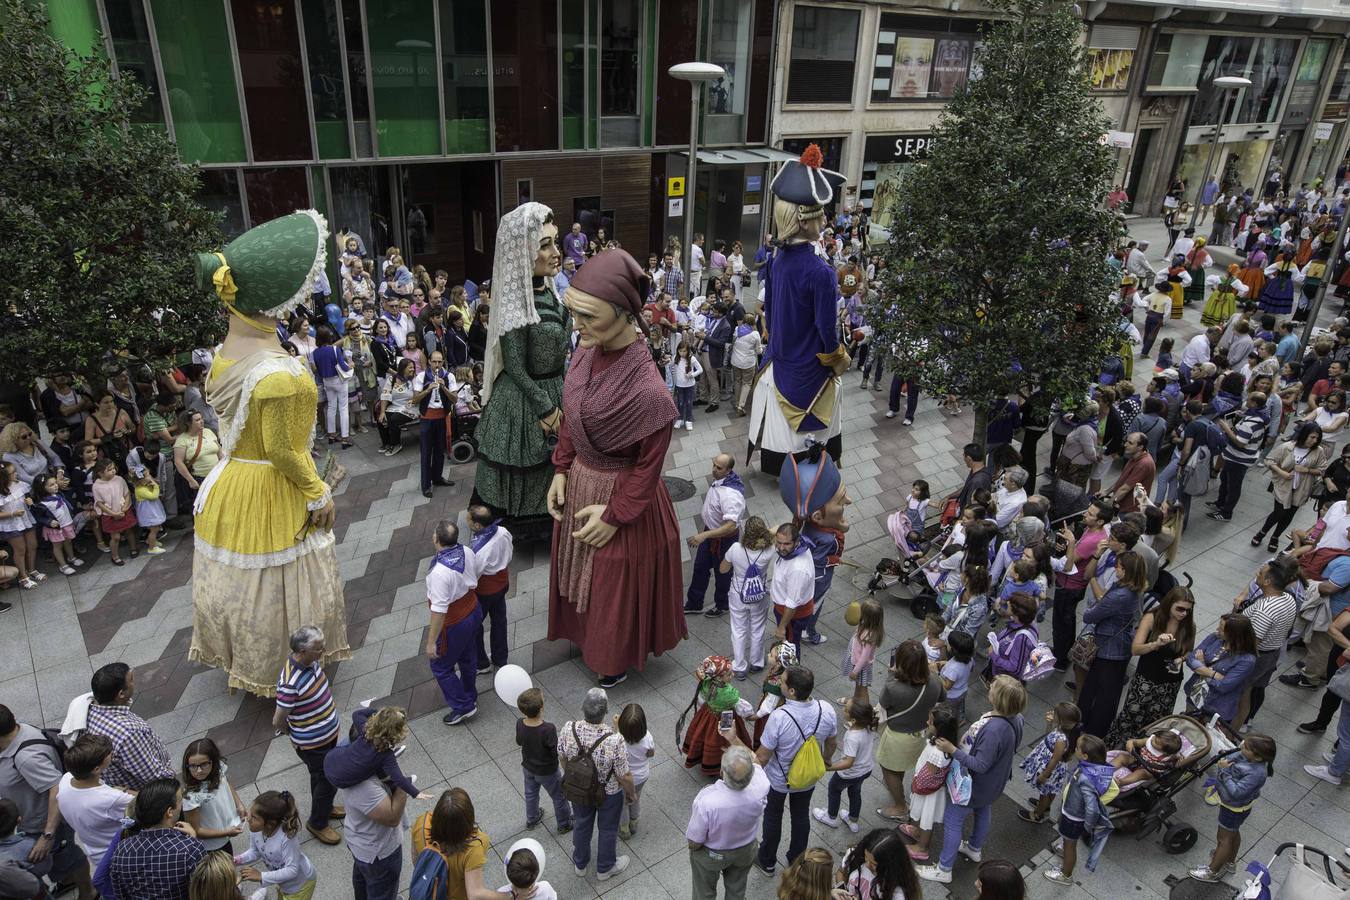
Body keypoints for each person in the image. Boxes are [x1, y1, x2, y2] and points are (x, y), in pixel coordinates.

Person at [190, 212, 349, 696]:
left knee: (246, 583)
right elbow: (283, 450)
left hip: (231, 479)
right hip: (272, 486)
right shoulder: (281, 372)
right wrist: (318, 492)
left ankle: (248, 659)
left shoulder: (222, 356)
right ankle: (285, 671)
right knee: (284, 582)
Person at [547, 249, 686, 688]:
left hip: (623, 494)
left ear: (626, 313)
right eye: (575, 315)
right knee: (581, 564)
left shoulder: (651, 393)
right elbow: (572, 413)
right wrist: (561, 468)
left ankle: (612, 658)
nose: (577, 327)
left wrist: (614, 516)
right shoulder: (586, 351)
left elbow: (648, 468)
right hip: (583, 479)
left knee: (611, 577)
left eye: (587, 317)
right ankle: (586, 639)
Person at [748, 145, 851, 476]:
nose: (825, 219)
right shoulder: (821, 272)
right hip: (808, 364)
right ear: (803, 220)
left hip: (779, 357)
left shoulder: (778, 259)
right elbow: (825, 328)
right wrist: (836, 357)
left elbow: (773, 313)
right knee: (823, 410)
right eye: (820, 214)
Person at [474, 203, 567, 528]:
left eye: (555, 242)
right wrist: (546, 409)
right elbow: (514, 366)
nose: (556, 252)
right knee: (532, 464)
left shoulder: (551, 291)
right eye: (545, 245)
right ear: (523, 252)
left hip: (556, 387)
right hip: (525, 399)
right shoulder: (515, 304)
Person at [916, 676, 1027, 885]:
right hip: (992, 784)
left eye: (994, 687)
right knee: (983, 810)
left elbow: (980, 765)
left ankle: (944, 868)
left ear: (1000, 699)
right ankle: (974, 848)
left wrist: (952, 750)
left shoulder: (995, 730)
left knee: (953, 820)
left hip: (974, 786)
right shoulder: (1016, 718)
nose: (990, 687)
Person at [0, 709, 96, 900]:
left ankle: (89, 893)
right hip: (32, 821)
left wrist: (47, 835)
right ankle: (67, 881)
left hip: (47, 824)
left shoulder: (27, 758)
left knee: (68, 856)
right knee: (62, 859)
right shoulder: (17, 733)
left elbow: (57, 789)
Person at [752, 665, 837, 877]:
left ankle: (767, 861)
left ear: (791, 691)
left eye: (782, 681)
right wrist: (825, 760)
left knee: (773, 817)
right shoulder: (825, 709)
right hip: (807, 777)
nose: (779, 683)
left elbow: (763, 756)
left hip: (778, 780)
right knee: (801, 816)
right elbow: (832, 742)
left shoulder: (779, 717)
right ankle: (797, 861)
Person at [270, 626, 343, 845]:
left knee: (320, 778)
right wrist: (295, 735)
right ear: (302, 651)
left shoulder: (311, 662)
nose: (323, 651)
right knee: (329, 780)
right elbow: (278, 720)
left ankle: (326, 807)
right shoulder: (290, 683)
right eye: (318, 648)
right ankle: (318, 823)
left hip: (328, 736)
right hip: (313, 745)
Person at [558, 688, 635, 881]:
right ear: (606, 711)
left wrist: (572, 777)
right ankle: (605, 868)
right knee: (608, 828)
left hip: (579, 790)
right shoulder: (615, 740)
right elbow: (624, 775)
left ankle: (580, 863)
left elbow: (562, 756)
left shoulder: (569, 728)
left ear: (583, 708)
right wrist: (631, 794)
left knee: (582, 823)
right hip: (608, 793)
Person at [1105, 586, 1196, 748]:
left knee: (1157, 722)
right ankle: (1112, 748)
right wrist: (1156, 644)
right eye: (1180, 609)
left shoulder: (1188, 625)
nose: (1184, 613)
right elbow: (1135, 649)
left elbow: (1188, 650)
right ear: (1169, 603)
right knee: (1130, 717)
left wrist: (1180, 660)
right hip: (1146, 678)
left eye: (1188, 610)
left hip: (1170, 683)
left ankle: (1143, 752)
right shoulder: (1152, 618)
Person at [687, 740, 769, 900]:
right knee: (737, 889)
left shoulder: (707, 801)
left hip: (713, 854)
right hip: (745, 849)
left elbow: (694, 840)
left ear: (722, 773)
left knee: (703, 891)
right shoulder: (760, 786)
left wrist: (694, 850)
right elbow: (756, 761)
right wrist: (733, 738)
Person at [874, 641, 945, 823]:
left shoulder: (894, 686)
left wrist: (891, 674)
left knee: (888, 767)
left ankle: (900, 807)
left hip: (898, 736)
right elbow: (943, 697)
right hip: (921, 733)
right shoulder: (935, 681)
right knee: (902, 764)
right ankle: (897, 786)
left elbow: (884, 703)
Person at [1189, 735, 1276, 882]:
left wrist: (1225, 771)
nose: (1242, 748)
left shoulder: (1257, 773)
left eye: (1246, 748)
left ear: (1258, 757)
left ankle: (1212, 871)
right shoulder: (1250, 759)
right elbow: (1237, 754)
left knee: (1223, 839)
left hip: (1233, 809)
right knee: (1233, 833)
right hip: (1238, 808)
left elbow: (1236, 793)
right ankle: (1229, 861)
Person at [1077, 551, 1146, 736]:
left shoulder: (1121, 595)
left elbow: (1090, 615)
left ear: (1126, 571)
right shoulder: (1131, 590)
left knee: (1101, 695)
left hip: (1109, 649)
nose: (1115, 568)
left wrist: (1096, 605)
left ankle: (1093, 730)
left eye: (1119, 566)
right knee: (1105, 693)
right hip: (1117, 647)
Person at [1231, 556, 1300, 730]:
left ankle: (1230, 730)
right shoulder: (1288, 598)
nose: (1257, 574)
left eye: (1261, 573)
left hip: (1255, 656)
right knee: (1249, 691)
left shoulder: (1265, 609)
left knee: (1240, 694)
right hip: (1271, 653)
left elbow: (1252, 642)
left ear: (1268, 581)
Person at [107, 778, 206, 900]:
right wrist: (193, 841)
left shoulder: (121, 850)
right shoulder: (191, 849)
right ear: (169, 812)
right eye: (180, 800)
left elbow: (121, 894)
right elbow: (202, 892)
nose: (182, 805)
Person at [424, 519, 482, 726]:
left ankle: (463, 705)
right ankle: (469, 693)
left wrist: (431, 642)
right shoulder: (466, 550)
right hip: (473, 609)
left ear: (436, 539)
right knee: (467, 655)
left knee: (440, 667)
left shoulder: (440, 572)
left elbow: (439, 611)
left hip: (455, 620)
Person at [85, 663, 175, 790]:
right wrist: (172, 780)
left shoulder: (91, 709)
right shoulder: (128, 734)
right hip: (149, 791)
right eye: (131, 680)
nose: (135, 681)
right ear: (121, 694)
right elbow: (154, 775)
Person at [1041, 735, 1116, 884]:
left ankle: (1066, 874)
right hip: (1074, 814)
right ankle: (1064, 851)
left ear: (1085, 755)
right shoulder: (1096, 768)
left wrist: (1087, 826)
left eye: (1077, 748)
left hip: (1074, 817)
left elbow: (1092, 808)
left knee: (1070, 845)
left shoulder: (1086, 778)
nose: (1074, 749)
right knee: (1069, 842)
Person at [55, 734, 132, 870]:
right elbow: (144, 804)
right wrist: (123, 793)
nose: (111, 753)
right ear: (96, 769)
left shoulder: (66, 780)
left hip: (96, 853)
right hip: (121, 855)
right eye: (108, 754)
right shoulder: (113, 799)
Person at [684, 454, 746, 617]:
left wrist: (704, 535)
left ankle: (723, 605)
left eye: (719, 468)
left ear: (729, 470)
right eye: (714, 465)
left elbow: (730, 525)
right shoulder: (722, 481)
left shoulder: (731, 495)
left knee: (723, 573)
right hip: (710, 533)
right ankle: (694, 603)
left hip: (723, 540)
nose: (714, 469)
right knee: (700, 568)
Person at [811, 698, 879, 833]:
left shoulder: (852, 736)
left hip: (848, 774)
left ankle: (831, 817)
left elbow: (848, 762)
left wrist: (829, 768)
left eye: (846, 709)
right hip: (865, 770)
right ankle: (853, 820)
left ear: (853, 720)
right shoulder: (868, 726)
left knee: (834, 789)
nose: (843, 709)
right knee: (855, 792)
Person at [234, 790, 317, 900]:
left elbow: (292, 870)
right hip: (283, 883)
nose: (248, 819)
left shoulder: (287, 838)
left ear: (270, 824)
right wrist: (238, 860)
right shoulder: (256, 830)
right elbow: (255, 851)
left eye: (254, 817)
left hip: (299, 886)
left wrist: (261, 876)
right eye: (250, 813)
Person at [514, 688, 573, 834]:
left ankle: (532, 818)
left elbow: (519, 741)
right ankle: (564, 823)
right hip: (548, 771)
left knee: (530, 794)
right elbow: (555, 751)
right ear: (541, 707)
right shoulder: (548, 729)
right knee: (559, 796)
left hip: (528, 767)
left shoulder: (520, 723)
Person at [721, 515, 774, 678]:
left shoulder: (736, 548)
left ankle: (740, 666)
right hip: (759, 596)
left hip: (738, 595)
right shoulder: (769, 550)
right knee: (757, 629)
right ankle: (757, 662)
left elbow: (723, 569)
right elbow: (776, 530)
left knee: (738, 630)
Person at [1185, 614, 1258, 727]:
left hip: (1215, 708)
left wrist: (1201, 668)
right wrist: (1212, 673)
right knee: (1186, 727)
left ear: (1234, 635)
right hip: (1195, 695)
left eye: (1222, 628)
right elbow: (1190, 658)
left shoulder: (1247, 660)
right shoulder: (1214, 638)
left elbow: (1223, 686)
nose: (1217, 629)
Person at [1207, 391, 1270, 521]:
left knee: (1233, 486)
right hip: (1233, 456)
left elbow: (1240, 442)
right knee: (1225, 479)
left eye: (1249, 399)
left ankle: (1226, 512)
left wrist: (1226, 428)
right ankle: (1220, 502)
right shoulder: (1261, 416)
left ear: (1253, 403)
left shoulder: (1250, 423)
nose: (1246, 400)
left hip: (1238, 458)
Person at [465, 505, 513, 673]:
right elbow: (509, 554)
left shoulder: (480, 550)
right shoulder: (503, 531)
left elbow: (473, 575)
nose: (467, 521)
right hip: (502, 582)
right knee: (499, 621)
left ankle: (481, 662)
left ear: (478, 525)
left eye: (469, 519)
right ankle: (500, 658)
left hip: (485, 591)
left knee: (476, 626)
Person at [179, 738, 246, 854]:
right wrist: (226, 832)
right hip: (214, 846)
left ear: (213, 761)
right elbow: (196, 830)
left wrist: (239, 804)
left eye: (204, 764)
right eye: (193, 766)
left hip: (226, 831)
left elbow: (226, 783)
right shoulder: (190, 796)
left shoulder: (219, 769)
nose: (198, 771)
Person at [411, 350, 457, 499]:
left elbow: (455, 399)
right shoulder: (421, 376)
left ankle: (437, 478)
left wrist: (444, 388)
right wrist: (428, 389)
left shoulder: (449, 376)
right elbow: (415, 399)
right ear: (429, 362)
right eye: (434, 362)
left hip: (442, 418)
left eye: (440, 362)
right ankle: (426, 485)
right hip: (427, 418)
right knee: (426, 453)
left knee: (439, 451)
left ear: (443, 362)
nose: (437, 365)